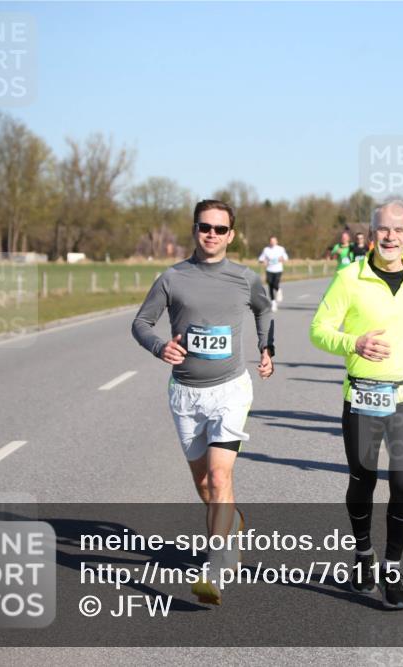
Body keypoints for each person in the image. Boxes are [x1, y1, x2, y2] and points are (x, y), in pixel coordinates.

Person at [132, 199, 275, 603]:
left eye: (220, 229)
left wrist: (268, 348)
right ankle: (233, 525)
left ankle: (214, 566)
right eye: (204, 227)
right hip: (185, 393)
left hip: (230, 389)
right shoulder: (172, 278)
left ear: (231, 234)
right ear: (194, 230)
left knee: (218, 477)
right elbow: (141, 323)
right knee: (203, 484)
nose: (211, 234)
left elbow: (264, 312)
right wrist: (160, 347)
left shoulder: (245, 278)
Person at [310, 199, 403, 610]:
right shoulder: (349, 278)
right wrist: (354, 342)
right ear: (372, 235)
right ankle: (363, 555)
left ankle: (391, 568)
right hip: (363, 395)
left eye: (399, 230)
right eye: (384, 230)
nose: (391, 237)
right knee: (363, 479)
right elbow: (319, 329)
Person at [258, 235, 289, 312]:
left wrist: (282, 259)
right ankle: (273, 303)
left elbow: (286, 258)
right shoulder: (266, 250)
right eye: (271, 241)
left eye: (274, 241)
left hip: (278, 269)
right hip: (269, 269)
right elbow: (260, 259)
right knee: (270, 285)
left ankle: (278, 290)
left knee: (275, 284)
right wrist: (263, 261)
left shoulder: (281, 249)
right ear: (269, 242)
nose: (272, 242)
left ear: (276, 241)